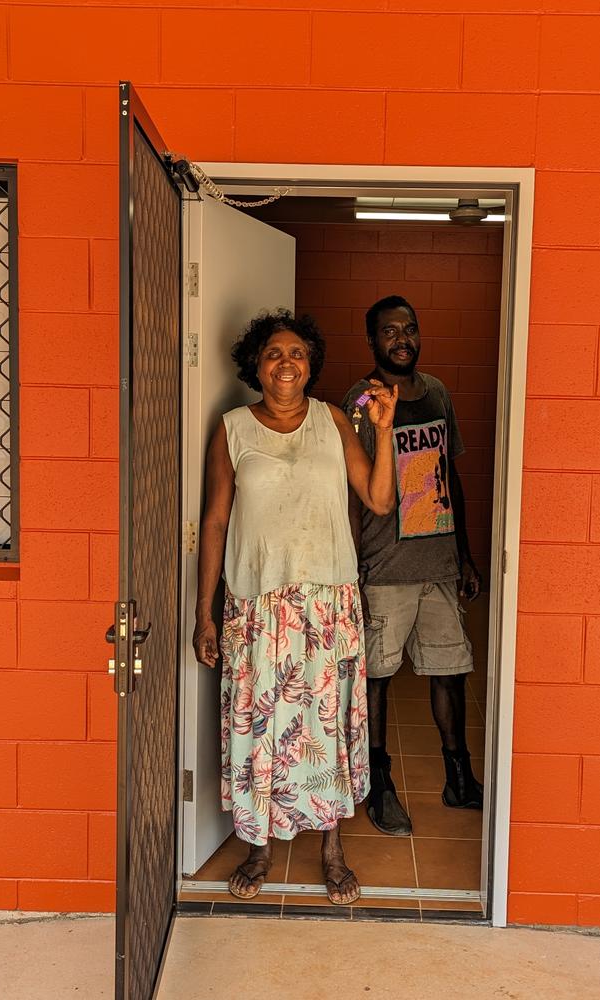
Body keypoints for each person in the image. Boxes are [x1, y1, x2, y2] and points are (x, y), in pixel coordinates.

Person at [193, 309, 398, 904]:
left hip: (326, 605)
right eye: (274, 354)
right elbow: (215, 520)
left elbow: (380, 501)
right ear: (256, 366)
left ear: (311, 367)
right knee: (263, 728)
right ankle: (259, 847)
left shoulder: (333, 421)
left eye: (298, 354)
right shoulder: (232, 428)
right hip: (256, 607)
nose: (287, 363)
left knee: (323, 727)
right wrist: (206, 613)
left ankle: (332, 850)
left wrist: (383, 429)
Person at [342, 295, 483, 837]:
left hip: (439, 564)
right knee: (376, 677)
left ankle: (459, 778)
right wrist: (354, 566)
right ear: (372, 340)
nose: (402, 339)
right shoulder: (361, 401)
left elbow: (451, 477)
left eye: (410, 329)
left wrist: (464, 554)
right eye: (389, 331)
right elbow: (353, 491)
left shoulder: (438, 393)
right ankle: (379, 785)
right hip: (385, 564)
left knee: (449, 671)